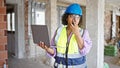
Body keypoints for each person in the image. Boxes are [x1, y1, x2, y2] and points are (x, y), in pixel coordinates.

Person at [38, 3, 92, 68]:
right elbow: (54, 51)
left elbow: (84, 51)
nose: (75, 20)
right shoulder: (59, 31)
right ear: (66, 18)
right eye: (72, 16)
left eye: (77, 17)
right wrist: (47, 49)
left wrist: (77, 34)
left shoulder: (84, 33)